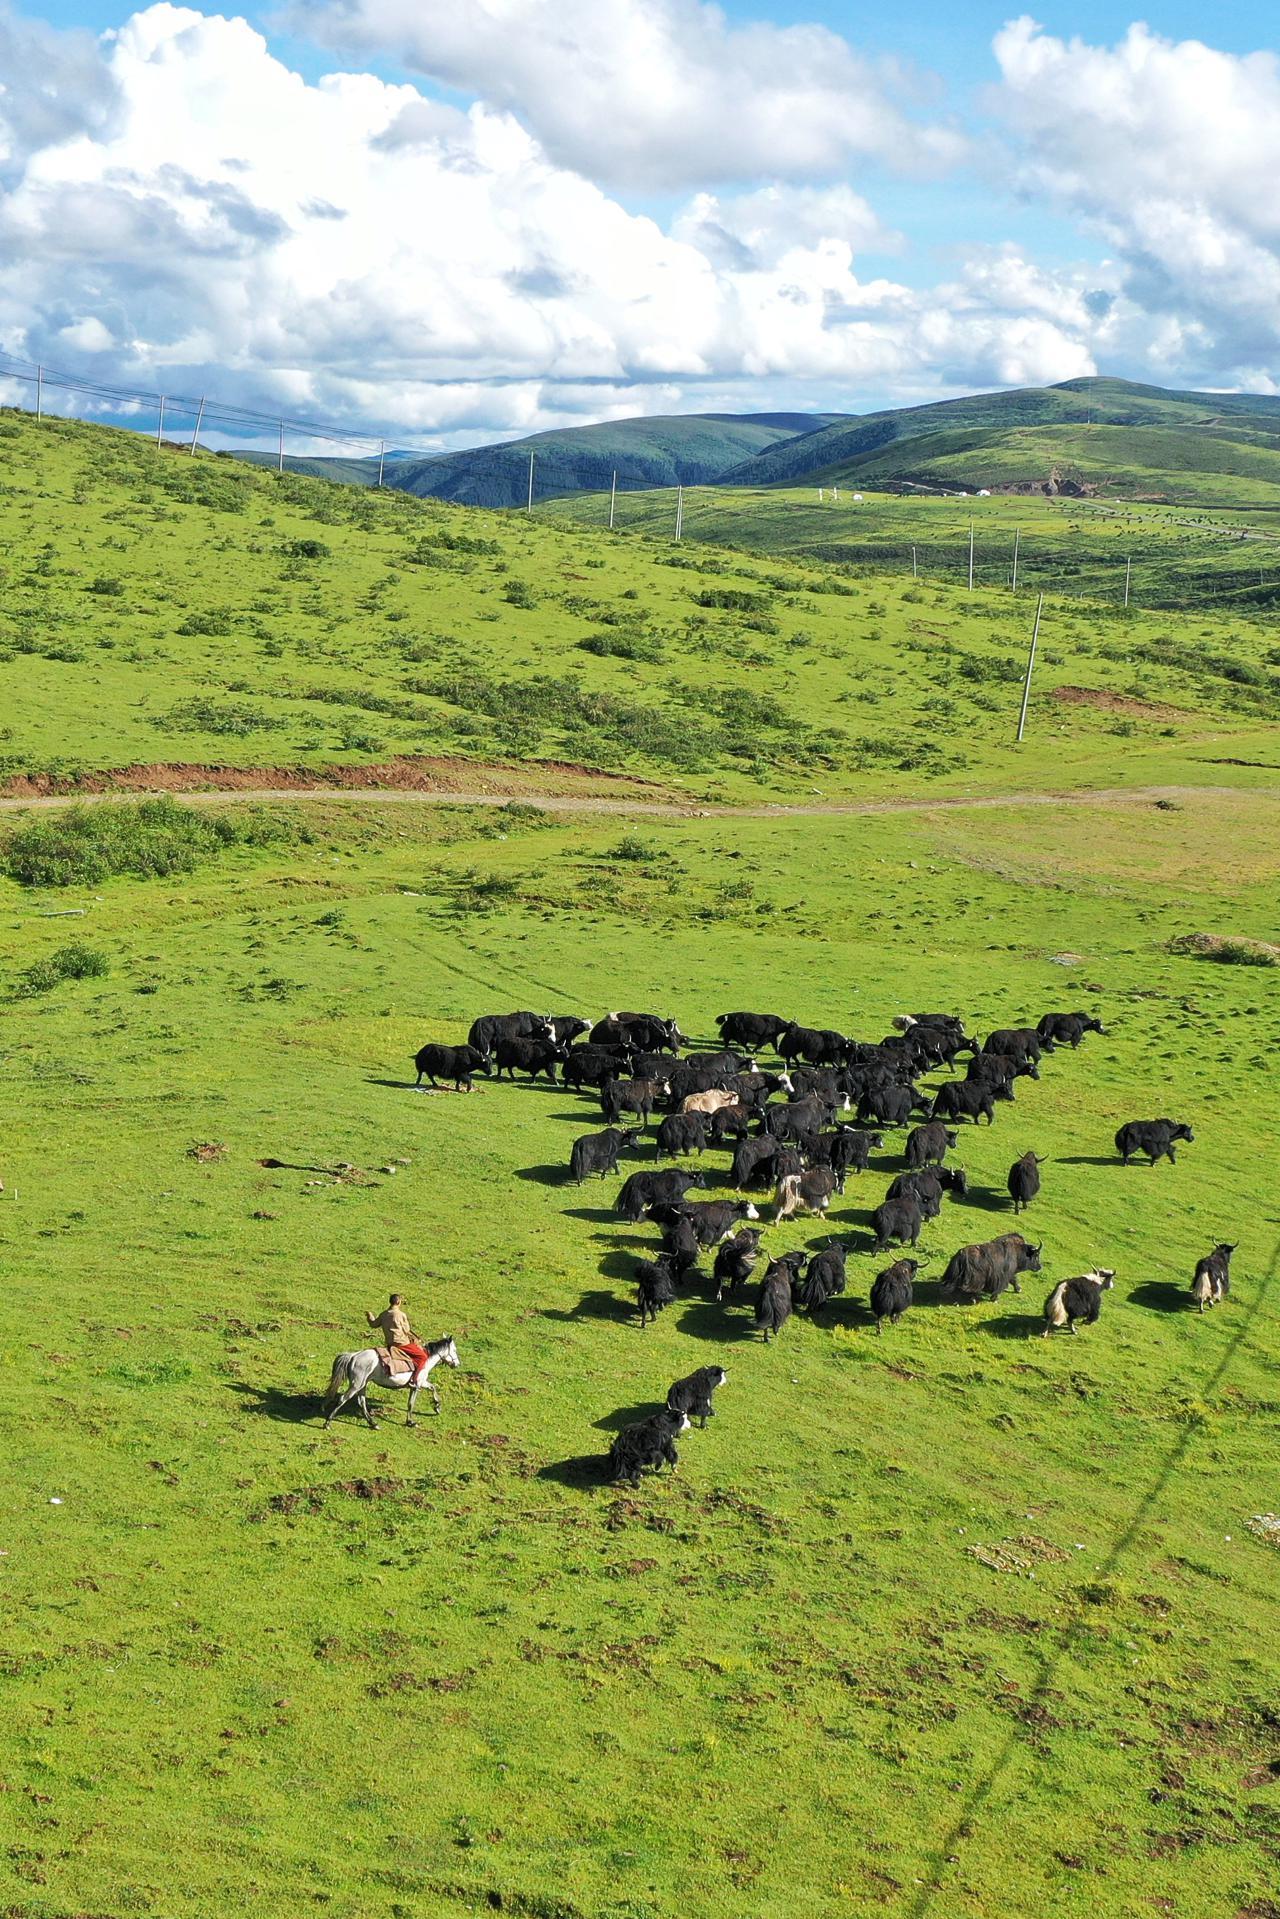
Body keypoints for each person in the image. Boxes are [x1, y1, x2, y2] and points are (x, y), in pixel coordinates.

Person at [366, 1293, 429, 1385]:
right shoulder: (401, 1315)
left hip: (390, 1344)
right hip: (402, 1344)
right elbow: (407, 1330)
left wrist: (370, 1317)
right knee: (423, 1356)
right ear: (399, 1302)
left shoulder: (383, 1314)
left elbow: (373, 1324)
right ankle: (414, 1379)